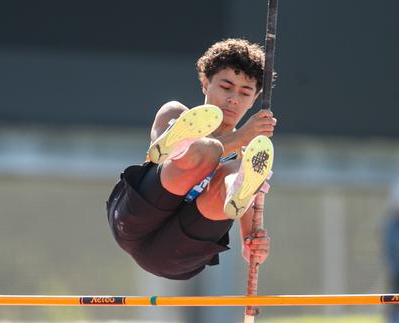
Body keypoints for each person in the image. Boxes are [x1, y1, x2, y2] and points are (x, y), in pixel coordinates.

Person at [106, 38, 276, 280]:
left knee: (238, 167)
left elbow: (250, 235)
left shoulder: (250, 154)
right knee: (204, 150)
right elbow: (157, 154)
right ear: (205, 83)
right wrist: (241, 136)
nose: (233, 99)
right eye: (226, 87)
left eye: (245, 92)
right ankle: (185, 148)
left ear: (254, 98)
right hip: (136, 219)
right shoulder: (173, 113)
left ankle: (234, 185)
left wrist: (255, 244)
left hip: (176, 252)